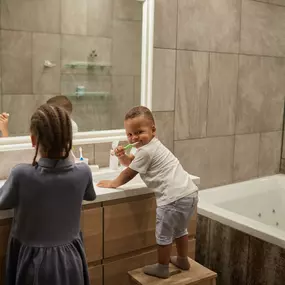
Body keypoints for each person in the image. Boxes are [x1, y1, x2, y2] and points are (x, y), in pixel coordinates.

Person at [97, 106, 198, 279]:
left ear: (153, 130)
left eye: (139, 132)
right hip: (189, 194)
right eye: (130, 134)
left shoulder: (146, 151)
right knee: (181, 229)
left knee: (164, 235)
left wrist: (113, 183)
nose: (134, 137)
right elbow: (133, 163)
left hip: (171, 199)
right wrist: (123, 156)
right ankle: (182, 259)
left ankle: (163, 267)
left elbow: (129, 173)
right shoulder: (154, 146)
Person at [0, 104, 96, 285]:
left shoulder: (21, 175)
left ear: (33, 140)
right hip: (71, 261)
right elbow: (90, 195)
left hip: (32, 265)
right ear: (69, 138)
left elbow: (2, 201)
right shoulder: (83, 172)